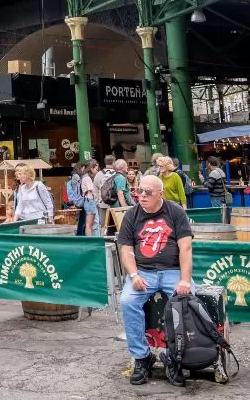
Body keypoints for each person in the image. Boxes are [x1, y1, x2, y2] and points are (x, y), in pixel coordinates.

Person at [117, 174, 193, 386]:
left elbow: (185, 248)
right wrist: (134, 275)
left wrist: (185, 280)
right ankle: (142, 357)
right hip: (144, 271)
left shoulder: (175, 212)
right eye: (139, 191)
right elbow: (126, 250)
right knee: (127, 301)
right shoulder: (131, 215)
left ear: (161, 193)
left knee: (187, 302)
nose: (141, 195)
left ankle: (173, 357)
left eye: (147, 192)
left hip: (172, 270)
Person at [79, 162, 99, 236]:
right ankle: (92, 240)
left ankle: (91, 240)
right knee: (92, 223)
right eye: (96, 169)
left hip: (88, 201)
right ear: (91, 168)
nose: (97, 171)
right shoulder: (87, 178)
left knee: (91, 223)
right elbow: (92, 190)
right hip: (90, 201)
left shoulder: (85, 177)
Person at [66, 165, 85, 232]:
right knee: (81, 219)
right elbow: (77, 190)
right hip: (77, 200)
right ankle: (79, 234)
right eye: (83, 167)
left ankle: (79, 233)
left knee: (81, 219)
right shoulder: (76, 176)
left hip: (76, 200)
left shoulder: (75, 176)